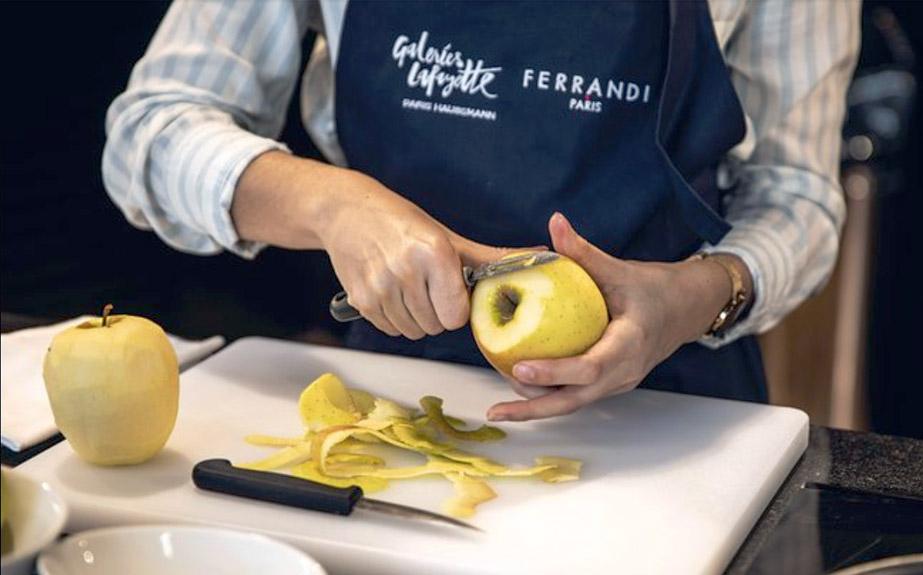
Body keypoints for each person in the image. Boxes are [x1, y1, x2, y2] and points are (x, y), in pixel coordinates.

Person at [102, 0, 861, 422]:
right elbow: (150, 130)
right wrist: (332, 204)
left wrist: (694, 296)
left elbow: (795, 194)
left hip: (665, 407)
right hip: (393, 402)